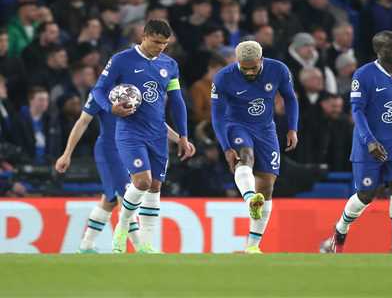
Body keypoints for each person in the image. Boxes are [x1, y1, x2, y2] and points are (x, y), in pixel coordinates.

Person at [92, 19, 193, 253]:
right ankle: (122, 227)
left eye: (165, 44)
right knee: (142, 182)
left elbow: (177, 102)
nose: (160, 47)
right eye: (156, 42)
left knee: (155, 187)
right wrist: (110, 108)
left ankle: (146, 245)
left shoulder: (170, 65)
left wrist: (183, 136)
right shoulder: (121, 60)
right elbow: (98, 90)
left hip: (157, 134)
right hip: (130, 131)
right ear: (144, 36)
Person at [55, 93, 195, 253]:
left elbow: (155, 122)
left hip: (130, 149)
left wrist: (179, 139)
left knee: (110, 199)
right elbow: (83, 121)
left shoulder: (136, 89)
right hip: (110, 150)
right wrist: (67, 154)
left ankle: (87, 244)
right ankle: (140, 247)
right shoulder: (101, 92)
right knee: (125, 195)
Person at [321, 31, 392, 254]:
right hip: (367, 146)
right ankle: (340, 229)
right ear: (379, 51)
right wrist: (370, 142)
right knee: (366, 194)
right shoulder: (363, 75)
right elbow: (357, 111)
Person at [211, 40, 299, 253]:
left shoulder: (278, 69)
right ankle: (250, 198)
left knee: (267, 186)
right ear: (237, 61)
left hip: (266, 129)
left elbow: (290, 98)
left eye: (253, 67)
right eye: (244, 68)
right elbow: (217, 116)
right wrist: (225, 147)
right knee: (246, 155)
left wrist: (292, 128)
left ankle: (252, 247)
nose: (249, 72)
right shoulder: (223, 77)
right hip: (236, 125)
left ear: (261, 59)